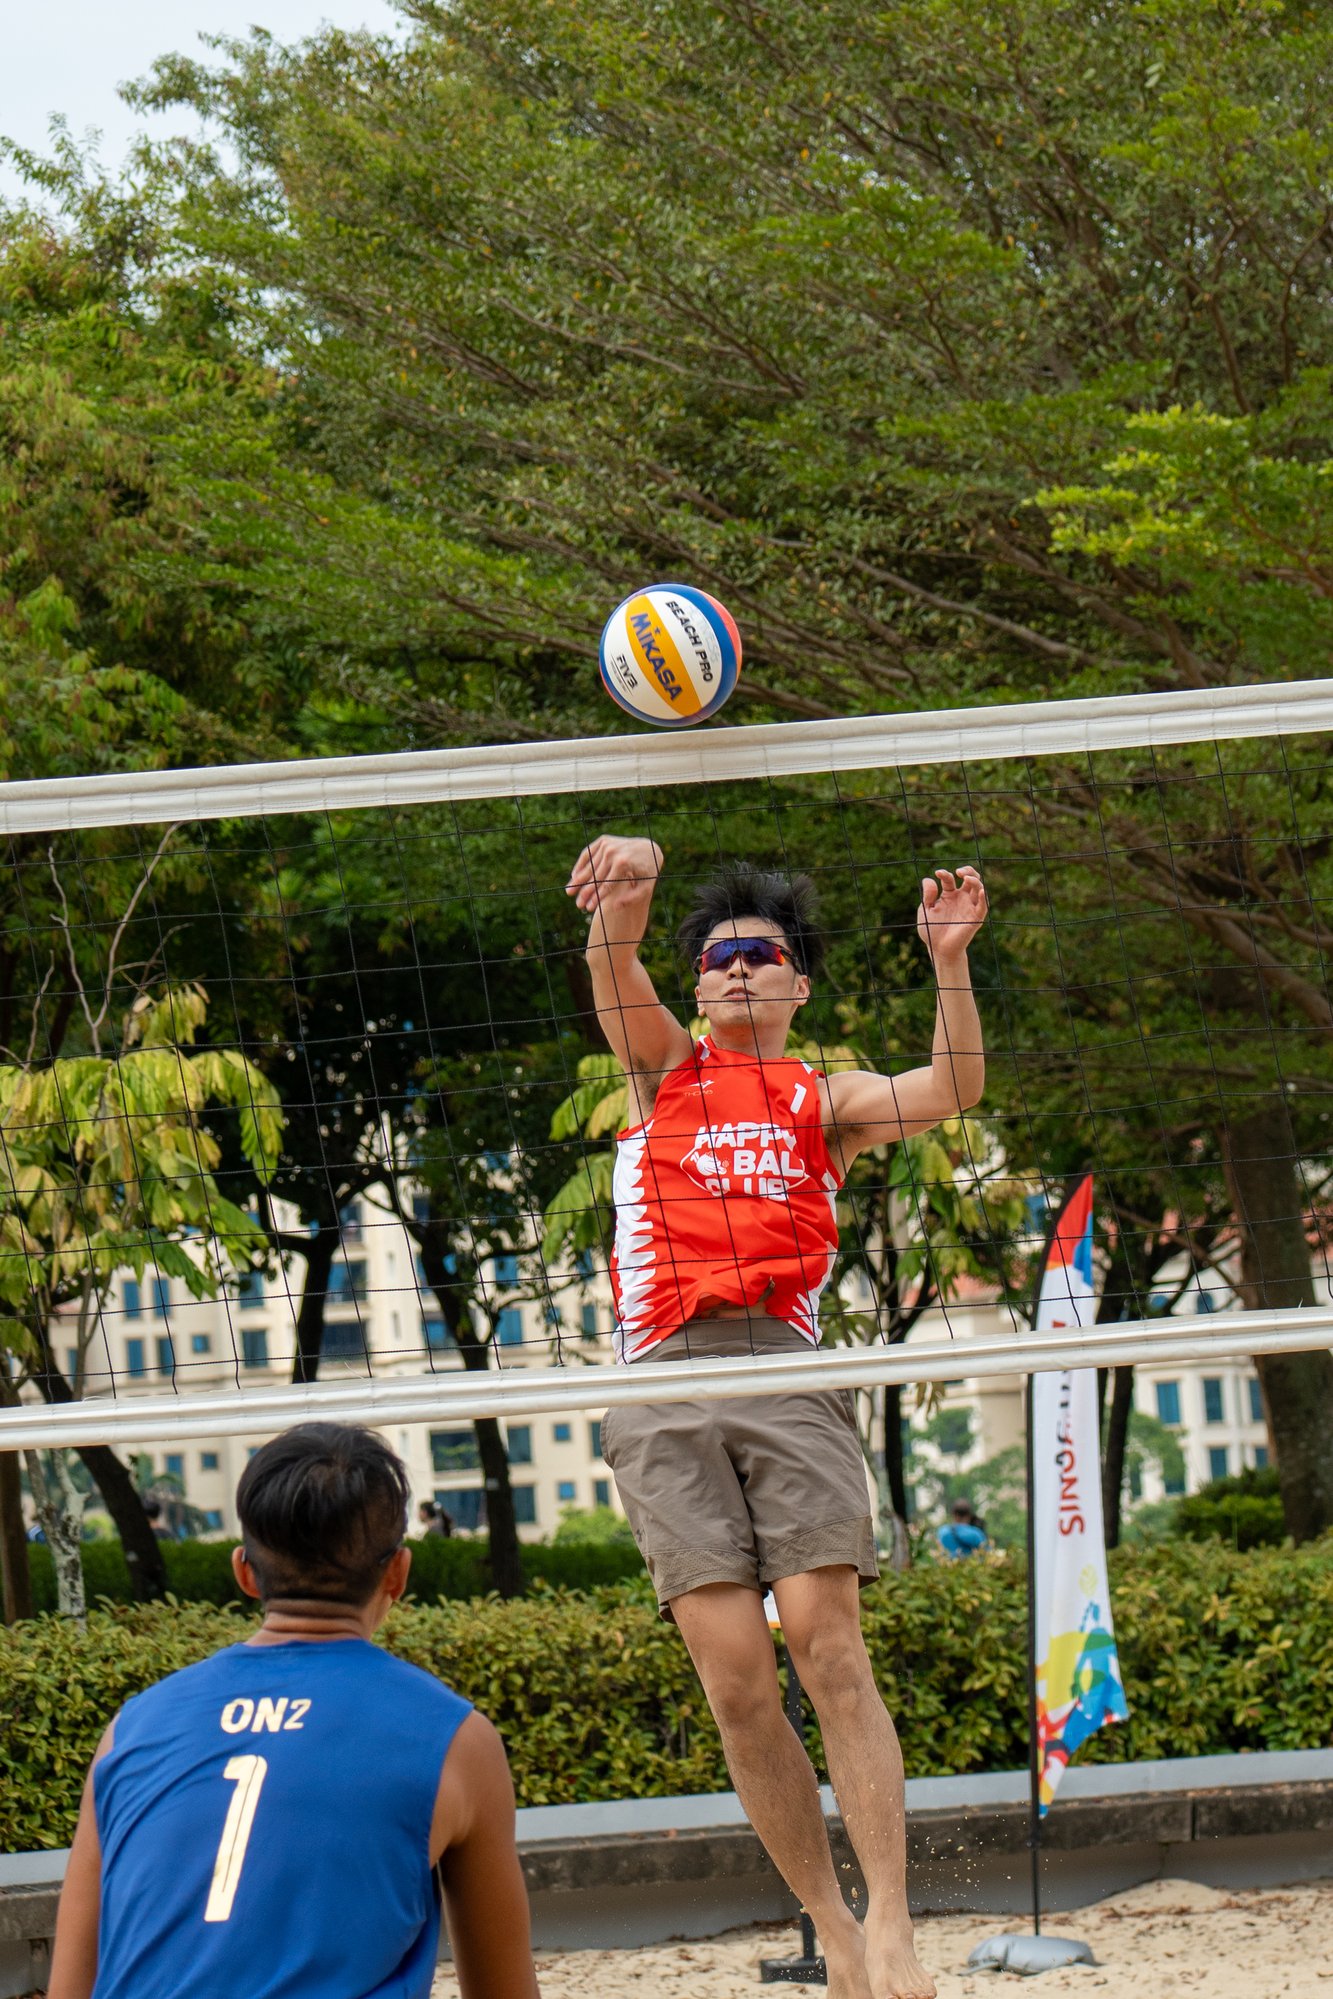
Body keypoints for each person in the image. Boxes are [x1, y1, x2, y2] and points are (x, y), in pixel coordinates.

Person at [566, 839, 988, 1999]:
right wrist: (634, 889)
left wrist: (948, 963)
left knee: (826, 1638)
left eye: (763, 955)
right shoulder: (662, 1068)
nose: (739, 968)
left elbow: (950, 1091)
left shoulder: (825, 1097)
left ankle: (893, 1913)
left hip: (783, 1365)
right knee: (738, 1675)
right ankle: (828, 1922)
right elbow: (611, 967)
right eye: (719, 957)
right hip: (657, 1378)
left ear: (799, 984)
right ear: (698, 985)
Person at [47, 1423, 539, 1999]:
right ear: (398, 1573)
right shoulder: (456, 1738)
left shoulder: (130, 1730)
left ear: (244, 1572)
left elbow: (70, 1988)